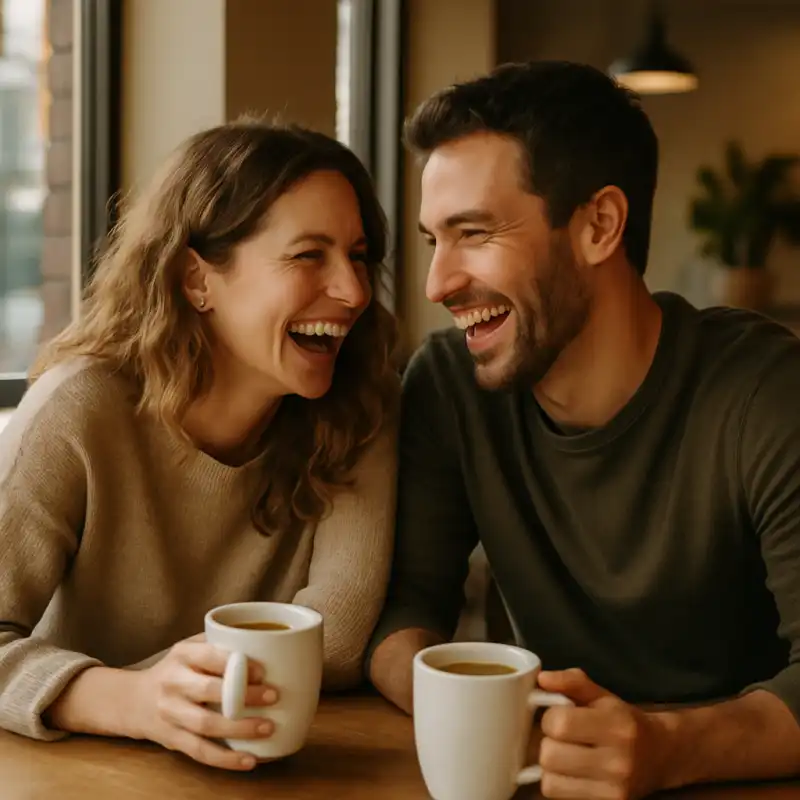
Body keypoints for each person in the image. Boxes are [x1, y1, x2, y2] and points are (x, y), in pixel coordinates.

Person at [367, 60, 800, 798]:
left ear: (599, 225)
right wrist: (482, 718)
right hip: (543, 778)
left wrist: (668, 749)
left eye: (474, 232)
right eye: (434, 239)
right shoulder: (449, 385)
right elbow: (405, 610)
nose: (438, 283)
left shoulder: (767, 392)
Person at [0, 119, 398, 771]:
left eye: (357, 256)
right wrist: (134, 700)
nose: (353, 291)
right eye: (309, 255)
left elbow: (338, 638)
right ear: (197, 280)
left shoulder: (360, 409)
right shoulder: (79, 409)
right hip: (74, 776)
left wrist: (184, 694)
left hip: (270, 771)